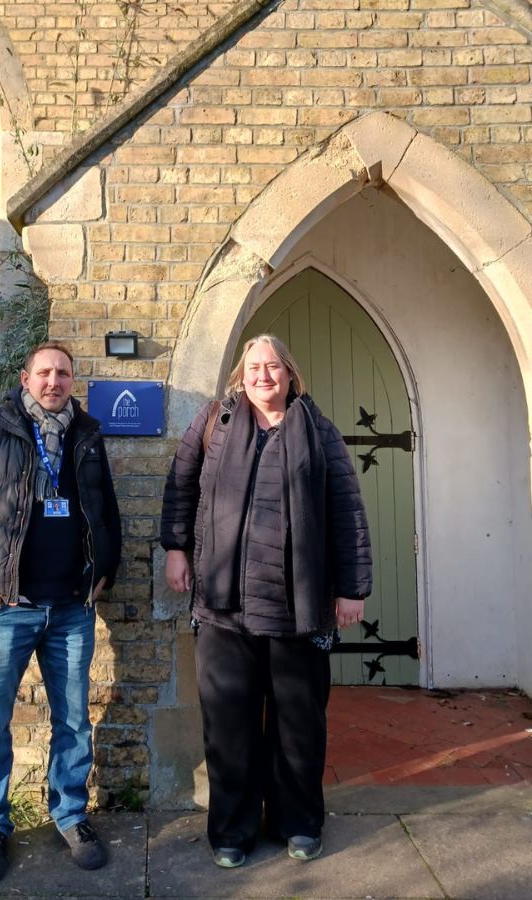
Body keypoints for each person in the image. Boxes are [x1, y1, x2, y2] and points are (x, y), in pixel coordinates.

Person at [160, 334, 372, 869]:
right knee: (228, 729)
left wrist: (351, 588)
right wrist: (175, 549)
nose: (263, 375)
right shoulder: (214, 422)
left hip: (298, 610)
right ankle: (231, 831)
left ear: (290, 374)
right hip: (222, 607)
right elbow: (181, 486)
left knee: (298, 729)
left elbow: (346, 510)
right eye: (254, 366)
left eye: (273, 366)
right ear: (240, 375)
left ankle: (297, 823)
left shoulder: (318, 430)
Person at [0, 341, 122, 885]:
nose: (53, 382)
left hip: (70, 607)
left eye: (63, 373)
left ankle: (70, 814)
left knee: (71, 719)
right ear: (25, 378)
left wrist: (105, 567)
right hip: (6, 604)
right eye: (44, 373)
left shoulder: (87, 435)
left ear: (73, 381)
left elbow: (105, 506)